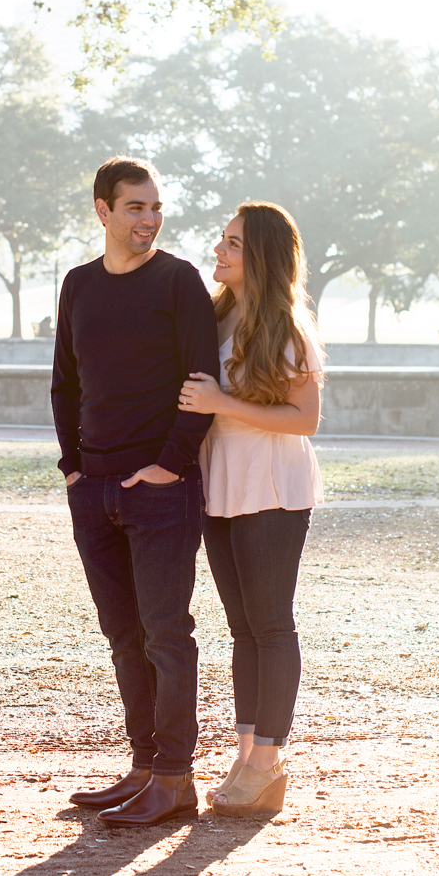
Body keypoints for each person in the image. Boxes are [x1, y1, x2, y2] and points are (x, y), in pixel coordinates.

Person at [50, 156, 221, 828]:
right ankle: (145, 767)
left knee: (165, 633)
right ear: (103, 210)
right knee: (123, 634)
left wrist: (172, 464)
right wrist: (73, 468)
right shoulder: (79, 285)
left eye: (156, 208)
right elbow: (65, 382)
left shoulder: (179, 281)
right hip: (93, 490)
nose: (148, 219)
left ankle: (176, 777)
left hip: (162, 493)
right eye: (135, 208)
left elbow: (202, 379)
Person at [177, 201, 324, 818]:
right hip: (223, 484)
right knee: (241, 629)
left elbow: (306, 419)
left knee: (270, 625)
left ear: (259, 256)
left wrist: (221, 403)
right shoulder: (219, 317)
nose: (219, 251)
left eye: (233, 244)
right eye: (222, 240)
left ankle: (268, 761)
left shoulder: (287, 326)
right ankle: (246, 754)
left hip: (272, 486)